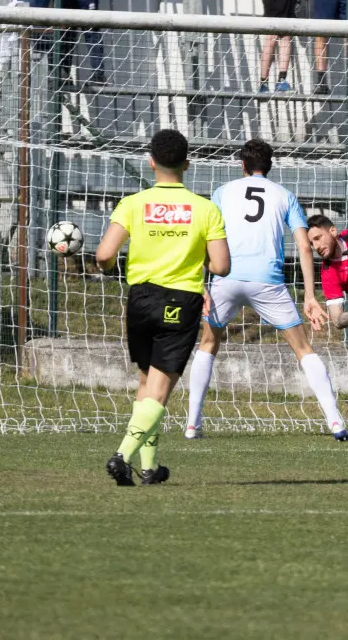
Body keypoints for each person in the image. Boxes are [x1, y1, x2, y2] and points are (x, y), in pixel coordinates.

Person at [185, 140, 348, 441]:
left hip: (227, 277)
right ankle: (336, 422)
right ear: (270, 166)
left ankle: (192, 424)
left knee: (208, 343)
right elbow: (304, 245)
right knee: (303, 349)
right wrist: (310, 296)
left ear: (242, 165)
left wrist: (200, 285)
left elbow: (205, 238)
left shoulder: (222, 192)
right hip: (269, 282)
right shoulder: (284, 195)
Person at [96, 129, 230, 486]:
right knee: (160, 389)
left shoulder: (133, 203)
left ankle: (151, 467)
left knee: (147, 382)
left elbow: (105, 255)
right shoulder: (205, 209)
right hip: (180, 301)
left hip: (140, 299)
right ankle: (122, 456)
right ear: (187, 163)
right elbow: (221, 266)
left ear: (151, 162)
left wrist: (107, 267)